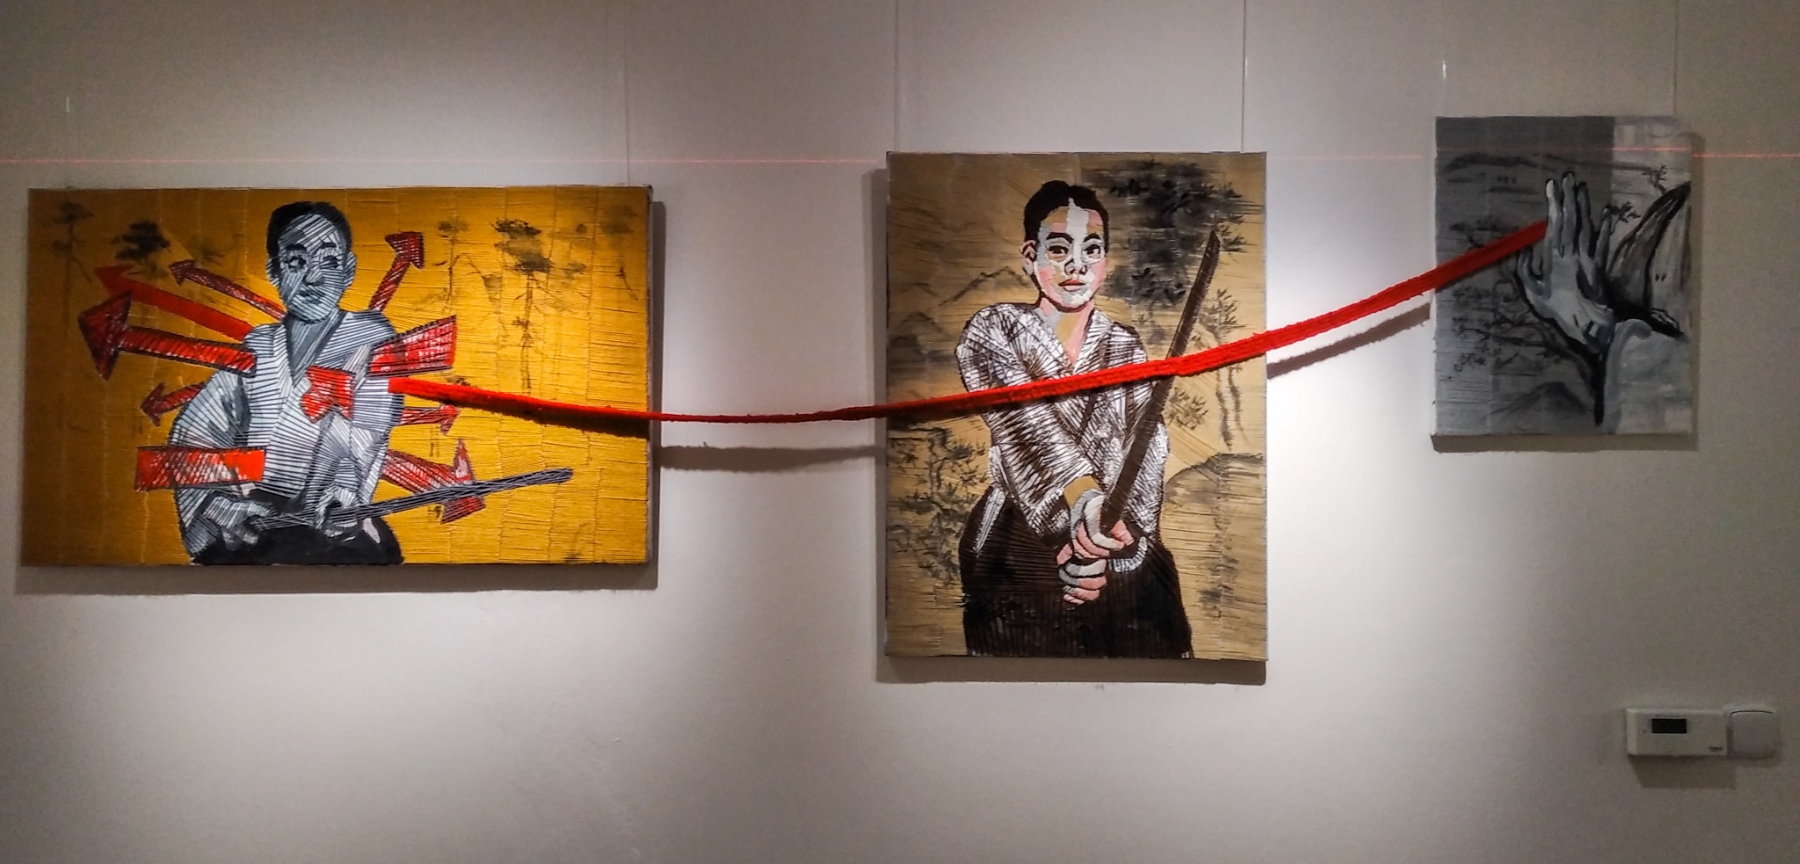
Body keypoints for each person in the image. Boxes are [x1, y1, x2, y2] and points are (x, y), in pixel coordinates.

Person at [954, 180, 1192, 657]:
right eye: (1059, 248)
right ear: (1030, 256)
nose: (1076, 265)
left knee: (1155, 610)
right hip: (1022, 532)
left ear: (1105, 260)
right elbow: (1027, 426)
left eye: (1091, 249)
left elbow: (1147, 451)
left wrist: (1114, 541)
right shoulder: (993, 330)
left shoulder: (1124, 346)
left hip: (1113, 530)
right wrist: (1083, 501)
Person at [169, 201, 404, 564]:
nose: (313, 278)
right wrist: (217, 504)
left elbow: (366, 431)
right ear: (274, 271)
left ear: (349, 271)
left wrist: (343, 489)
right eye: (296, 262)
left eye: (329, 261)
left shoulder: (373, 339)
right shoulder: (259, 347)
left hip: (333, 522)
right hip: (255, 525)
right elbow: (195, 431)